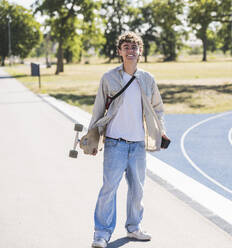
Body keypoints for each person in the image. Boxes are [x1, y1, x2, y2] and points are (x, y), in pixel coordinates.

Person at [89, 32, 168, 248]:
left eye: (134, 47)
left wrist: (160, 131)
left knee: (137, 189)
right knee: (109, 189)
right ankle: (101, 234)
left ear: (140, 51)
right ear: (119, 52)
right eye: (126, 47)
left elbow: (157, 108)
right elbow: (98, 109)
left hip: (138, 145)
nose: (130, 50)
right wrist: (92, 139)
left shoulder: (147, 79)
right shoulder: (109, 78)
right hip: (115, 143)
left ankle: (134, 228)